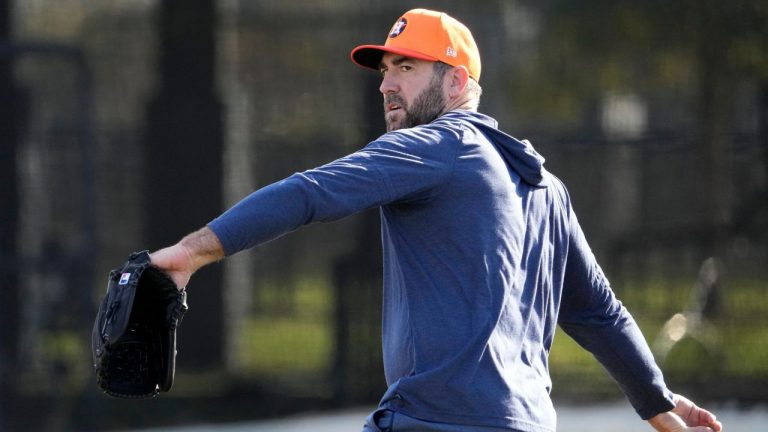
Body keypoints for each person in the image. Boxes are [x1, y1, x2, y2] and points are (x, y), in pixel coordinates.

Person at [150, 8, 723, 432]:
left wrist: (191, 252)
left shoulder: (439, 145)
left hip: (437, 420)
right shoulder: (544, 185)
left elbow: (309, 192)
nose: (386, 83)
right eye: (385, 69)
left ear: (455, 82)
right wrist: (658, 404)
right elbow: (598, 310)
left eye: (406, 67)